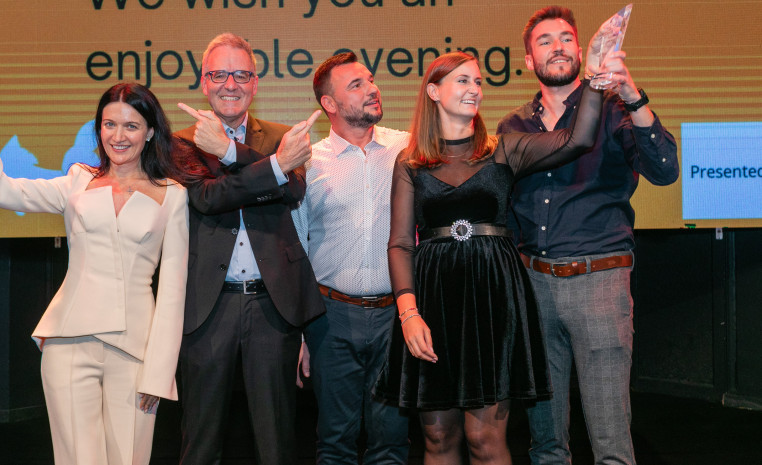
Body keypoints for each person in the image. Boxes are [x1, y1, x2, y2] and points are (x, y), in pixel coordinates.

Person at [373, 46, 611, 464]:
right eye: (463, 80)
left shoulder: (505, 148)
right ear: (433, 91)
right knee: (438, 440)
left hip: (493, 299)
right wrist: (408, 314)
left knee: (485, 440)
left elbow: (580, 139)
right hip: (433, 303)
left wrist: (591, 79)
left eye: (479, 81)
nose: (475, 89)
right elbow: (399, 243)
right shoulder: (409, 162)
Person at [0, 77, 191, 465]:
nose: (118, 135)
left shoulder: (173, 195)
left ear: (150, 132)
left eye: (131, 125)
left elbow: (174, 292)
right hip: (68, 342)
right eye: (109, 124)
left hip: (136, 352)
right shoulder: (78, 181)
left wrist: (160, 373)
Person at [496, 6, 679, 465]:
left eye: (565, 38)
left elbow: (665, 171)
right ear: (527, 59)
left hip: (598, 280)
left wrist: (632, 94)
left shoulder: (617, 111)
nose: (557, 46)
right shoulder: (512, 127)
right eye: (544, 40)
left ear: (580, 50)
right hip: (533, 284)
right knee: (546, 443)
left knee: (611, 442)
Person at [173, 32, 327, 465]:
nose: (230, 84)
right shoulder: (181, 142)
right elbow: (207, 198)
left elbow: (292, 191)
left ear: (255, 83)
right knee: (200, 441)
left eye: (241, 74)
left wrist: (228, 152)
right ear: (204, 82)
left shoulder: (282, 136)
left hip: (270, 305)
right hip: (207, 306)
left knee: (277, 440)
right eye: (219, 74)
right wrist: (269, 172)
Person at [291, 52, 410, 464]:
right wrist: (304, 329)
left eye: (371, 79)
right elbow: (298, 248)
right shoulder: (308, 161)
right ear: (329, 104)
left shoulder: (406, 148)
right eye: (356, 85)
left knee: (392, 444)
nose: (372, 88)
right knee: (335, 444)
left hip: (397, 316)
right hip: (330, 318)